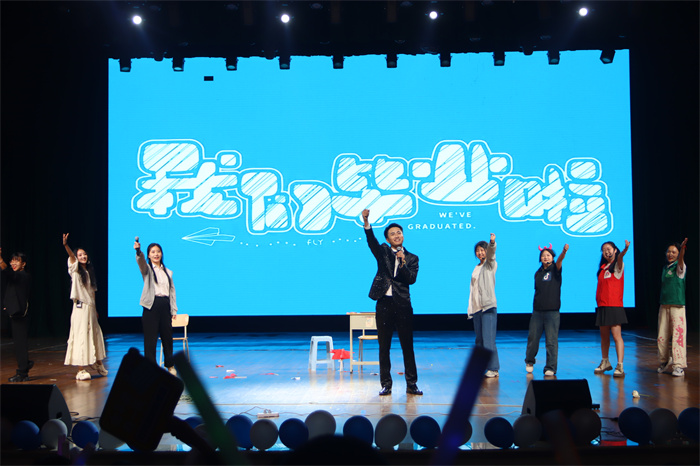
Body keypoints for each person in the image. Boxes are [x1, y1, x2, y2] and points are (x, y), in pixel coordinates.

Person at [361, 209, 422, 396]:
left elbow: (411, 279)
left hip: (403, 305)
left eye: (399, 233)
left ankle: (411, 384)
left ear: (403, 236)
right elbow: (371, 242)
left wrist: (402, 263)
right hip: (384, 304)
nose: (397, 235)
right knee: (384, 346)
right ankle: (386, 384)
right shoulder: (383, 252)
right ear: (388, 239)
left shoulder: (412, 258)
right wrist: (366, 222)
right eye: (392, 234)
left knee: (407, 346)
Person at [62, 233, 108, 380]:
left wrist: (95, 309)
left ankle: (98, 363)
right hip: (80, 308)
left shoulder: (89, 272)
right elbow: (71, 257)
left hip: (90, 308)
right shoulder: (75, 270)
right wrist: (66, 245)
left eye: (85, 254)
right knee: (81, 336)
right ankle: (80, 370)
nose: (83, 256)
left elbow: (92, 293)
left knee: (95, 334)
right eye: (80, 255)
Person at [134, 237, 178, 375]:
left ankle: (170, 366)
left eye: (158, 251)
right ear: (148, 255)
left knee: (167, 338)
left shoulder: (168, 272)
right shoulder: (147, 270)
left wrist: (173, 309)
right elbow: (141, 262)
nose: (156, 254)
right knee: (150, 340)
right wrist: (138, 251)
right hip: (151, 306)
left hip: (165, 305)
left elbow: (172, 291)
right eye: (153, 252)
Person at [525, 243, 569, 376]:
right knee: (533, 338)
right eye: (543, 255)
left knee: (551, 341)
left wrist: (564, 252)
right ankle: (529, 361)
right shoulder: (538, 273)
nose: (545, 257)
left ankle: (550, 367)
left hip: (552, 312)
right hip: (537, 311)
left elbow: (560, 261)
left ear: (553, 257)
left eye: (548, 255)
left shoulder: (555, 269)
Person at [594, 240, 630, 377]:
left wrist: (624, 250)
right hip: (602, 306)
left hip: (614, 306)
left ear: (615, 250)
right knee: (604, 337)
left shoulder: (618, 266)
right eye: (604, 250)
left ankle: (620, 365)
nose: (606, 251)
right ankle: (605, 361)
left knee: (616, 336)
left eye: (609, 249)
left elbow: (620, 258)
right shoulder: (603, 268)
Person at [467, 233, 500, 378]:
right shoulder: (476, 267)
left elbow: (492, 255)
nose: (480, 252)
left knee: (488, 339)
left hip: (488, 307)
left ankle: (493, 368)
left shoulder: (490, 265)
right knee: (479, 340)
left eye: (482, 250)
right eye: (478, 250)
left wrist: (492, 243)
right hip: (477, 308)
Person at [0, 248, 33, 382]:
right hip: (14, 313)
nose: (13, 263)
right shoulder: (16, 276)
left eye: (17, 261)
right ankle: (26, 364)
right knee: (18, 343)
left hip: (20, 314)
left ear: (23, 264)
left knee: (20, 344)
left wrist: (0, 260)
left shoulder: (23, 275)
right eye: (12, 261)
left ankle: (23, 372)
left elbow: (7, 273)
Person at [657, 238, 688, 377]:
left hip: (677, 307)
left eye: (674, 252)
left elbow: (681, 260)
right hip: (664, 305)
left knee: (678, 336)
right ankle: (664, 360)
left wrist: (682, 250)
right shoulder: (665, 268)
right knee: (662, 336)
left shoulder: (680, 267)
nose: (670, 254)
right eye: (669, 252)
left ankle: (678, 365)